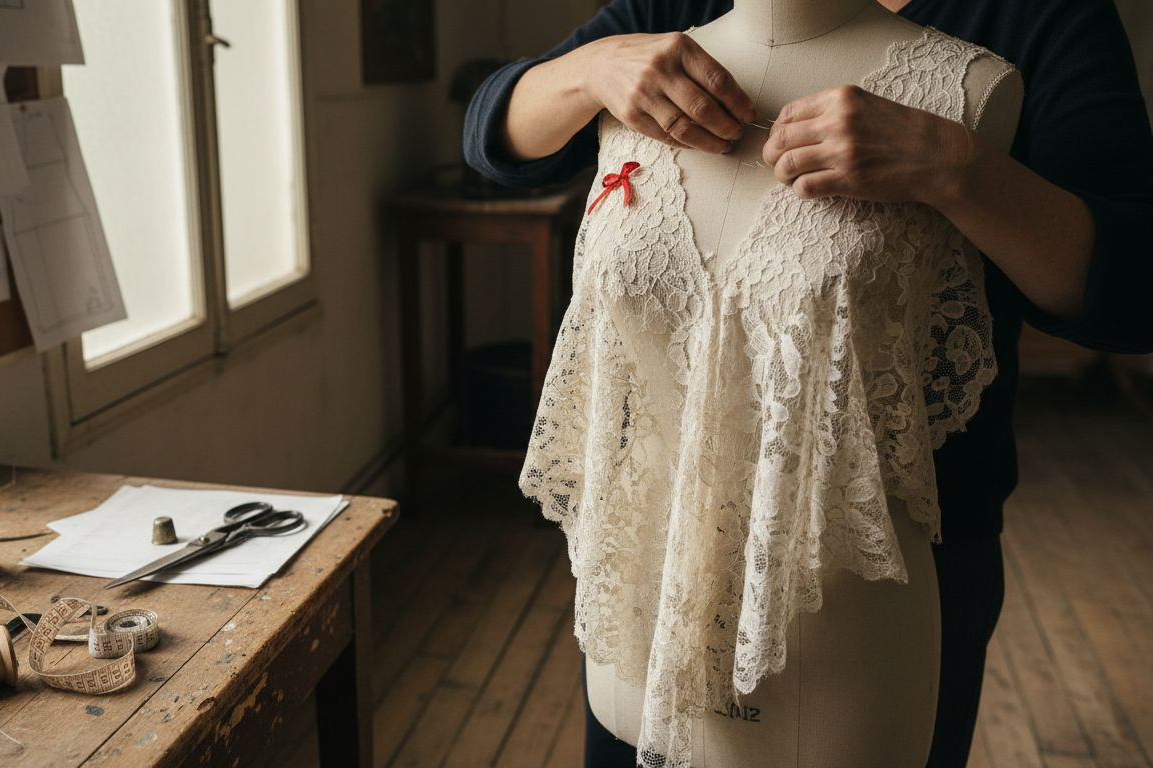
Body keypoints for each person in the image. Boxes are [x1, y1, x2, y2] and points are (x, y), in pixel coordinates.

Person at [462, 0, 1153, 765]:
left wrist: (963, 173)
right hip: (647, 574)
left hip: (870, 570)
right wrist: (588, 70)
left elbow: (1135, 293)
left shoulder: (1029, 26)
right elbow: (492, 139)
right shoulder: (675, 12)